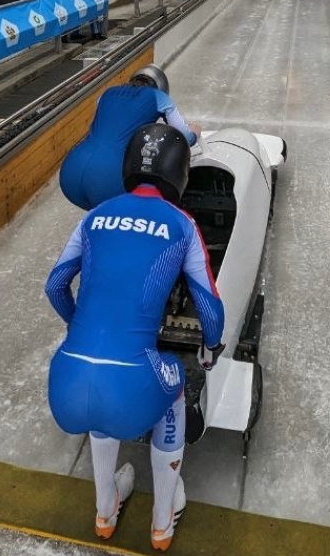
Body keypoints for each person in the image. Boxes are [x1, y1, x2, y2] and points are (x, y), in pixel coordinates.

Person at [45, 123, 225, 551]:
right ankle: (162, 520)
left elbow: (55, 286)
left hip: (65, 381)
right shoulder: (180, 223)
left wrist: (76, 324)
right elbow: (210, 307)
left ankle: (105, 510)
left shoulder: (94, 215)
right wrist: (209, 351)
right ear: (178, 172)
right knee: (173, 386)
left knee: (102, 398)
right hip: (131, 379)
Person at [59, 64, 201, 211]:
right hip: (108, 176)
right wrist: (195, 132)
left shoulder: (107, 93)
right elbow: (185, 138)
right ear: (160, 86)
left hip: (71, 172)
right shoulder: (159, 97)